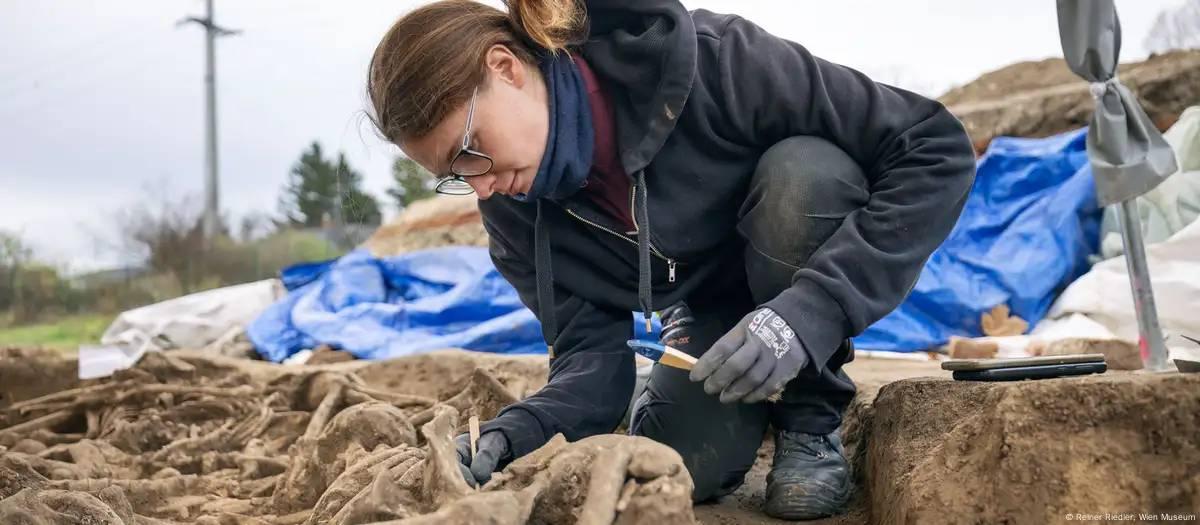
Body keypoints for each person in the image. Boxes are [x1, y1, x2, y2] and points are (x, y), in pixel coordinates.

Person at [366, 0, 975, 519]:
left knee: (803, 177)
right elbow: (587, 356)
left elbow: (933, 146)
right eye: (453, 176)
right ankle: (675, 381)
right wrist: (517, 431)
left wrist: (808, 313)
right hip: (711, 312)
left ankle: (809, 424)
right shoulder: (513, 208)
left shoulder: (717, 62)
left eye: (469, 153)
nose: (479, 187)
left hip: (797, 263)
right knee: (687, 468)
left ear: (504, 69)